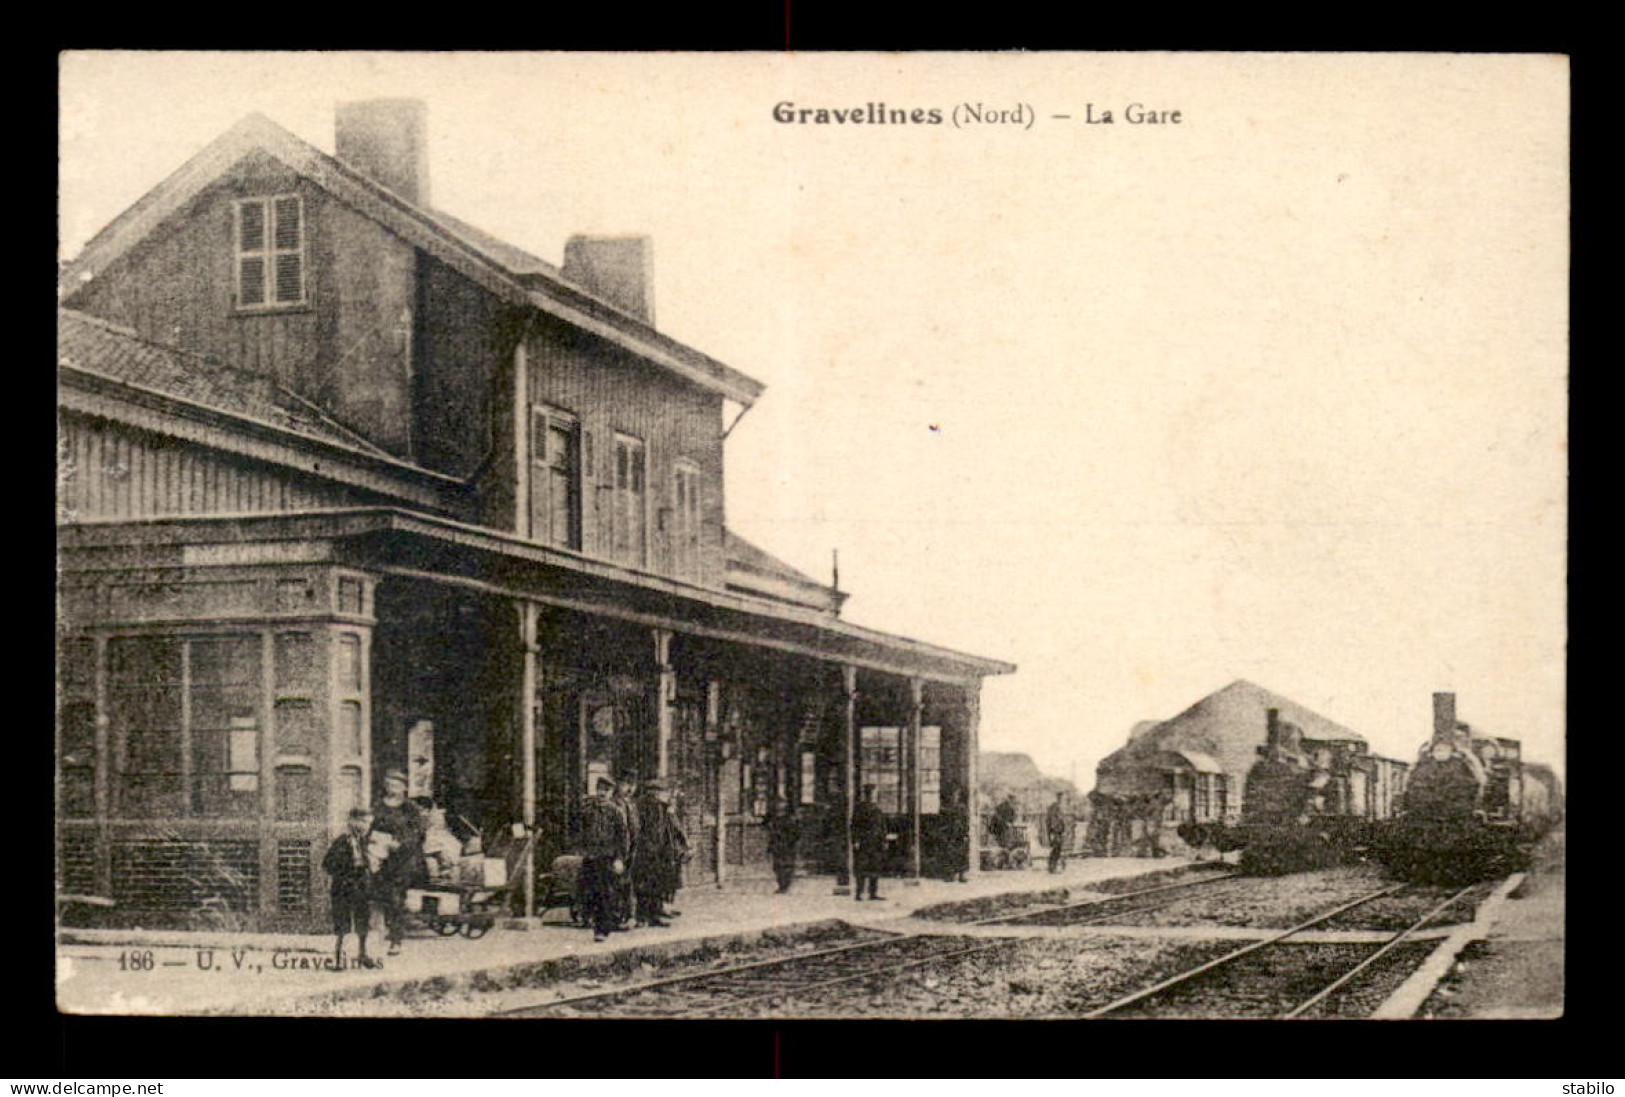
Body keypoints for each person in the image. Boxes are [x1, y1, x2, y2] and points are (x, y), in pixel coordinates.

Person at [370, 769, 426, 957]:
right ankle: (379, 932)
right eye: (388, 784)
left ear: (404, 788)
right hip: (382, 857)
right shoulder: (378, 806)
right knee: (378, 892)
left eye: (395, 785)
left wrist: (400, 844)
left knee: (395, 895)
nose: (391, 788)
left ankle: (396, 939)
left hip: (406, 860)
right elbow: (372, 827)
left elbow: (417, 834)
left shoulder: (410, 809)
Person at [321, 807, 379, 969]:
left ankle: (362, 954)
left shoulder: (364, 842)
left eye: (369, 823)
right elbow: (328, 864)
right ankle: (340, 958)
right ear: (353, 822)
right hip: (344, 885)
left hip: (361, 884)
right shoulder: (342, 841)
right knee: (342, 923)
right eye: (364, 822)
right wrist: (346, 871)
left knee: (363, 919)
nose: (367, 826)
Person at [579, 776, 631, 942]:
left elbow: (623, 837)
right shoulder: (588, 809)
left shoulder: (615, 811)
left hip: (607, 857)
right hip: (590, 856)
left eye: (606, 790)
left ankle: (602, 929)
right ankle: (590, 920)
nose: (602, 793)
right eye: (600, 789)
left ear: (611, 792)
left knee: (605, 894)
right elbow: (579, 830)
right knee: (588, 891)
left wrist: (620, 858)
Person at [632, 779, 684, 926]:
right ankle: (642, 917)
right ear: (651, 792)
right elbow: (637, 829)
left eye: (661, 792)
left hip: (660, 852)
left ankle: (654, 915)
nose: (660, 794)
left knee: (657, 884)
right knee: (644, 885)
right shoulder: (640, 806)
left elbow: (670, 828)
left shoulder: (663, 807)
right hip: (645, 851)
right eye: (658, 791)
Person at [613, 773, 641, 930]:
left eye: (632, 785)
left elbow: (635, 827)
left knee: (628, 883)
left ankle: (629, 916)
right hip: (620, 849)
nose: (629, 789)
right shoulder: (615, 804)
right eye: (625, 784)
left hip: (631, 849)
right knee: (619, 884)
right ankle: (620, 917)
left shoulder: (630, 803)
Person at [852, 784, 887, 901]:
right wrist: (856, 840)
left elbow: (882, 826)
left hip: (876, 842)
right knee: (862, 867)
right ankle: (859, 893)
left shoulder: (878, 809)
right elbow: (854, 826)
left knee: (875, 867)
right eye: (873, 793)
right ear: (868, 794)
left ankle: (873, 893)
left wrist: (884, 840)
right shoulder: (860, 809)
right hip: (864, 842)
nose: (874, 795)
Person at [767, 799, 799, 893]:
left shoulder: (790, 820)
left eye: (781, 809)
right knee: (777, 866)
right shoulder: (774, 820)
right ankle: (781, 885)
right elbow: (772, 834)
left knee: (787, 865)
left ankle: (785, 885)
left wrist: (790, 841)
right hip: (777, 845)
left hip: (787, 846)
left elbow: (796, 833)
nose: (779, 811)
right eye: (778, 809)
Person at [1045, 792, 1069, 874]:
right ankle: (1052, 867)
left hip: (1058, 832)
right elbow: (1053, 821)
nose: (1061, 800)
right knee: (1056, 849)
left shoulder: (1057, 808)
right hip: (1055, 832)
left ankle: (1052, 867)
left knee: (1057, 849)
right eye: (1061, 798)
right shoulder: (1054, 808)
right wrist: (1053, 831)